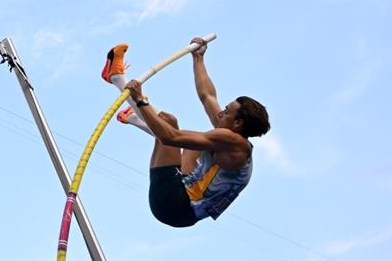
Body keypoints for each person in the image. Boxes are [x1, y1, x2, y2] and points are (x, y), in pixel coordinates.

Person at [100, 38, 270, 227]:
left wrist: (140, 100)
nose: (221, 112)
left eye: (226, 111)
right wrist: (198, 58)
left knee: (168, 123)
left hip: (175, 205)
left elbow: (170, 137)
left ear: (238, 122)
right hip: (184, 200)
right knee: (191, 142)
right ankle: (133, 117)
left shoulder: (234, 143)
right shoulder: (229, 132)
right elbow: (208, 96)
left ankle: (117, 78)